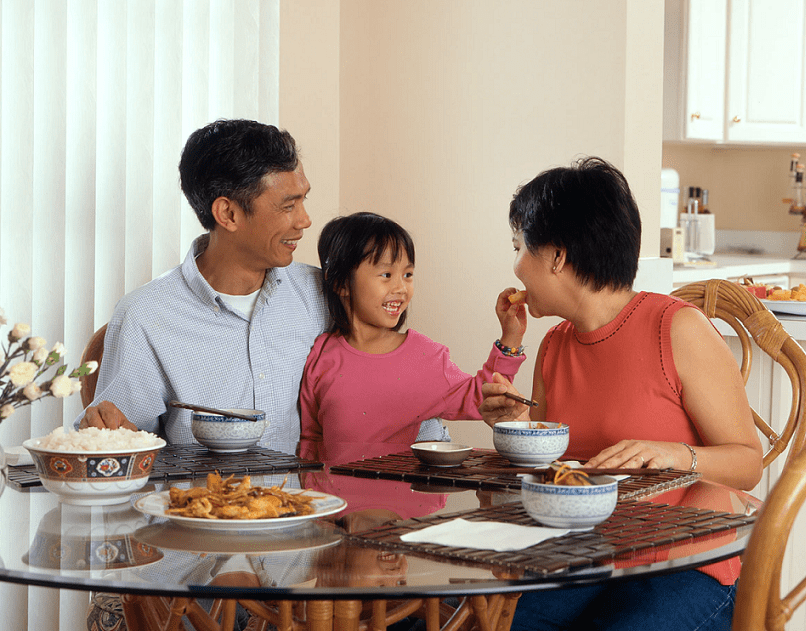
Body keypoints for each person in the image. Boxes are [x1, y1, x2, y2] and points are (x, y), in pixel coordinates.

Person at [478, 157, 763, 631]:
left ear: (557, 256)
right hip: (588, 554)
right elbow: (555, 472)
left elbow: (748, 464)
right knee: (494, 623)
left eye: (519, 247)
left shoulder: (677, 329)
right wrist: (512, 429)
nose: (516, 267)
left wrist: (675, 454)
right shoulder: (553, 346)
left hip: (688, 558)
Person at [77, 119, 448, 453]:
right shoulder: (147, 315)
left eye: (304, 199)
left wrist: (435, 451)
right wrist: (107, 436)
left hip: (323, 519)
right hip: (204, 522)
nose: (305, 220)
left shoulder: (326, 293)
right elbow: (117, 445)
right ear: (229, 214)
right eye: (288, 206)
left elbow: (396, 376)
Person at [299, 212, 528, 467]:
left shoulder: (425, 356)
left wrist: (511, 338)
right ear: (341, 283)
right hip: (337, 502)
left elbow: (483, 397)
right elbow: (311, 440)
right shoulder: (322, 354)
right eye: (386, 275)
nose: (401, 288)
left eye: (407, 275)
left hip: (406, 502)